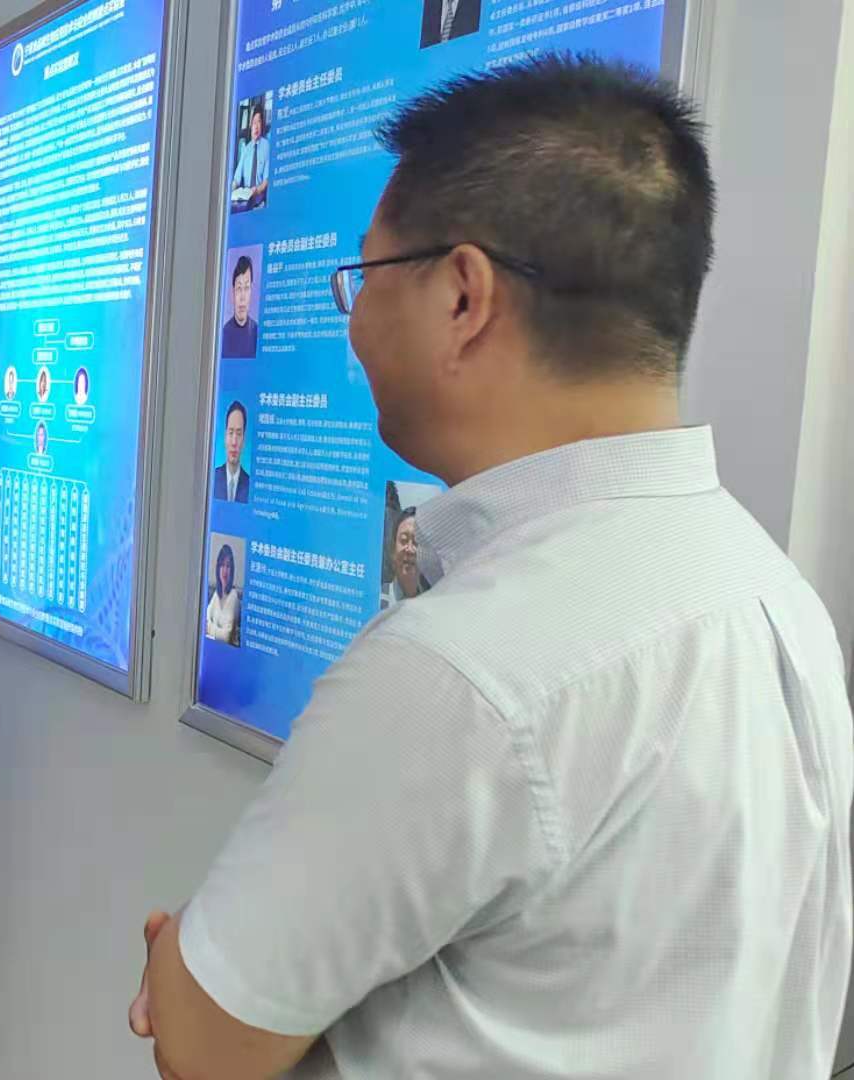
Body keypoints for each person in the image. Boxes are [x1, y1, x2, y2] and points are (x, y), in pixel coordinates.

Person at [131, 57, 851, 1080]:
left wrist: (179, 971)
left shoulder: (460, 671)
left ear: (463, 296)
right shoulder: (775, 598)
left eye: (366, 279)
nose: (353, 321)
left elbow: (207, 1045)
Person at [380, 508, 432, 612]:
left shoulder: (432, 599)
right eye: (404, 540)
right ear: (393, 550)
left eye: (416, 542)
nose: (409, 549)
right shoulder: (378, 598)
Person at [231, 98, 270, 210]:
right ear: (250, 126)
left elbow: (266, 180)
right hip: (245, 203)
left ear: (262, 125)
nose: (256, 126)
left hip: (260, 205)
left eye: (259, 122)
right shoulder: (246, 149)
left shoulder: (267, 146)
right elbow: (236, 179)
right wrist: (229, 191)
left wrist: (257, 190)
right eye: (254, 123)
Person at [211, 400, 250, 504]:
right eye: (231, 432)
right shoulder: (212, 478)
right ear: (225, 436)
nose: (234, 442)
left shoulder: (250, 484)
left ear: (244, 439)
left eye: (239, 434)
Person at [203, 545, 241, 646]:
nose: (224, 570)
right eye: (222, 565)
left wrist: (209, 627)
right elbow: (204, 618)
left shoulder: (234, 597)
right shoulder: (217, 594)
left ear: (232, 570)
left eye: (228, 566)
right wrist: (214, 629)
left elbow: (226, 637)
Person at [221, 256, 259, 359]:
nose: (242, 297)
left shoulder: (257, 332)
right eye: (239, 288)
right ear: (233, 292)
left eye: (246, 288)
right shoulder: (223, 334)